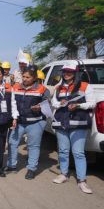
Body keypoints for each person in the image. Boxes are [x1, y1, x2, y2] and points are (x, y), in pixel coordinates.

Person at [51, 62, 96, 194]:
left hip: (78, 122)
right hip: (61, 122)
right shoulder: (59, 87)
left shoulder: (85, 86)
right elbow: (54, 102)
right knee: (63, 150)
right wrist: (61, 103)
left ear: (75, 72)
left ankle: (82, 180)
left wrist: (78, 106)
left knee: (78, 152)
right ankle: (64, 174)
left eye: (70, 71)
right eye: (65, 71)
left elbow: (92, 103)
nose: (66, 74)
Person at [8, 67, 50, 179]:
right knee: (12, 143)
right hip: (19, 122)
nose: (25, 79)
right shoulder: (16, 87)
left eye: (28, 77)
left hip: (35, 123)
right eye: (24, 76)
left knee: (33, 146)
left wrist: (39, 107)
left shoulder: (43, 89)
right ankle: (11, 165)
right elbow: (11, 103)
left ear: (34, 78)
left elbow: (48, 105)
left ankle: (31, 169)